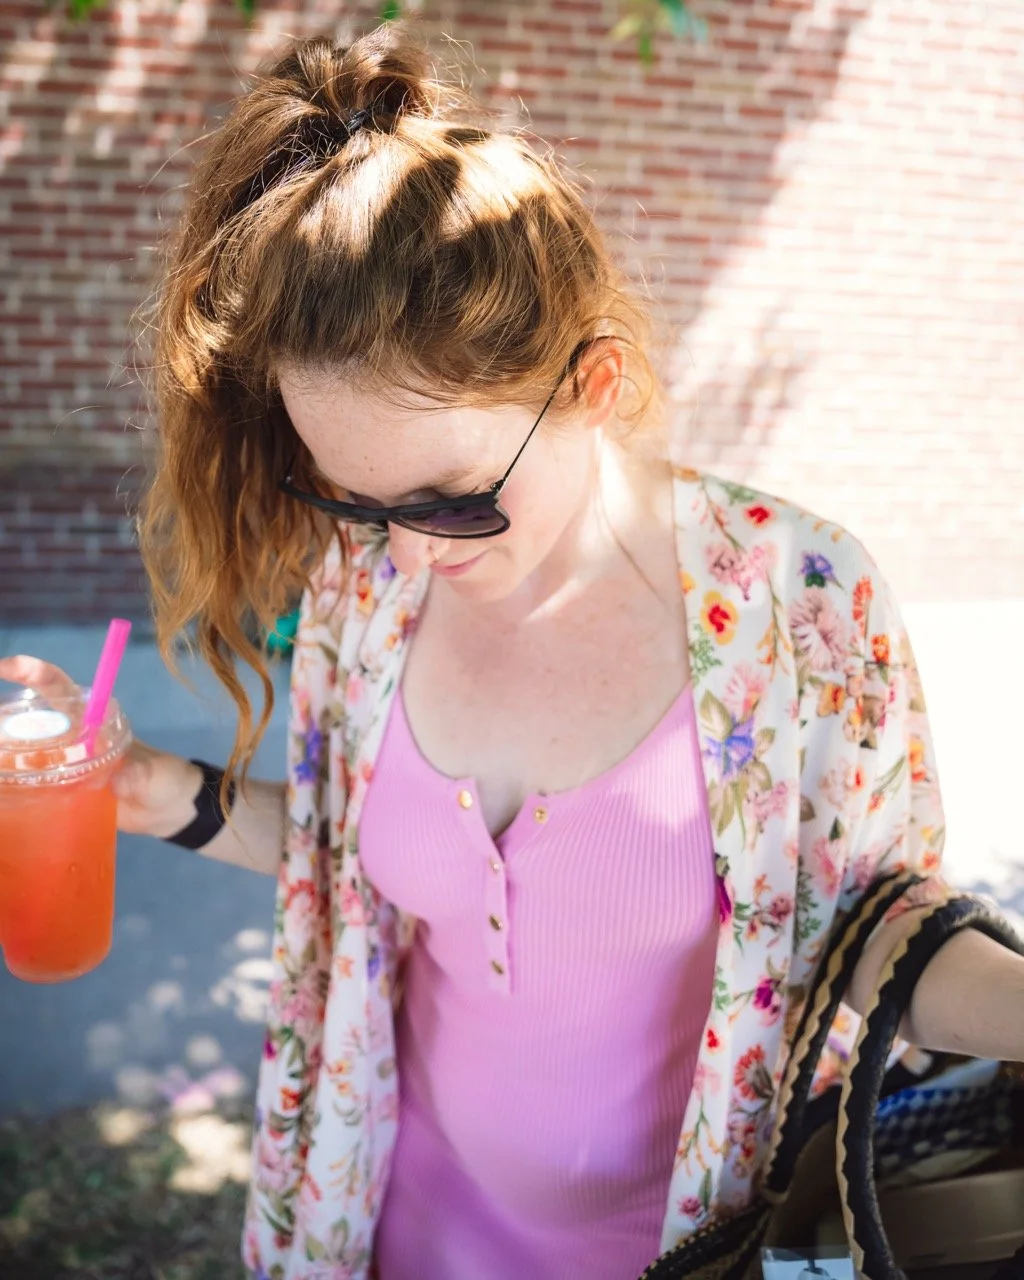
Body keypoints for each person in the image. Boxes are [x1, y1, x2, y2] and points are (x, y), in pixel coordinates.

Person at [2, 18, 1023, 1280]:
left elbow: (875, 933)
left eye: (450, 498)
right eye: (357, 502)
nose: (410, 554)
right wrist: (166, 792)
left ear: (594, 382)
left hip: (685, 1249)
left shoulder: (796, 596)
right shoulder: (364, 588)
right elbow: (353, 859)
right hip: (390, 1225)